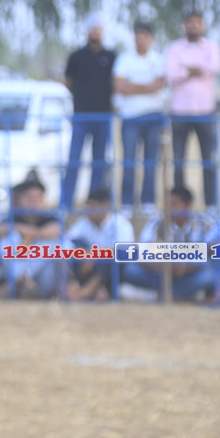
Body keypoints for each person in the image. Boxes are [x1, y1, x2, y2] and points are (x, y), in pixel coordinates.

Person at [166, 12, 220, 211]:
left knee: (208, 161)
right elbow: (171, 74)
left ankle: (211, 204)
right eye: (190, 22)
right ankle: (179, 205)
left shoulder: (212, 47)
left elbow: (214, 67)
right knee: (178, 162)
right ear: (184, 25)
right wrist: (196, 69)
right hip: (179, 112)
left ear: (203, 25)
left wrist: (186, 69)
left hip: (205, 112)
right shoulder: (174, 48)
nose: (194, 26)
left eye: (198, 23)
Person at [122, 186, 216, 301]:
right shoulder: (157, 223)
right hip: (159, 274)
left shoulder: (204, 224)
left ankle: (161, 294)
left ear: (188, 206)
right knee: (130, 270)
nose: (169, 209)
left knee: (210, 276)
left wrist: (185, 268)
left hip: (190, 275)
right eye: (167, 204)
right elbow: (142, 255)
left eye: (174, 204)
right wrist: (164, 267)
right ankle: (183, 294)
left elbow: (208, 256)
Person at [61, 19, 116, 208]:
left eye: (98, 29)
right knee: (74, 160)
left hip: (103, 117)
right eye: (92, 29)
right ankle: (66, 203)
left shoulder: (110, 56)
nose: (95, 32)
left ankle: (95, 203)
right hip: (81, 116)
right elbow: (68, 81)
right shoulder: (76, 56)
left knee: (99, 163)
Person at [114, 22, 166, 217]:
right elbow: (119, 86)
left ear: (151, 37)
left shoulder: (159, 59)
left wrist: (132, 86)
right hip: (130, 117)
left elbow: (160, 84)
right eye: (137, 34)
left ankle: (148, 202)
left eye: (144, 34)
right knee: (128, 161)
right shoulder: (124, 59)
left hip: (154, 116)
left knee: (151, 162)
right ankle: (127, 203)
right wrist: (148, 87)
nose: (140, 38)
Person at [0, 175, 64, 299]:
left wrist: (29, 237)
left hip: (43, 278)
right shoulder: (12, 217)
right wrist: (24, 232)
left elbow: (58, 230)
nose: (35, 202)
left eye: (39, 198)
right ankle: (25, 280)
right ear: (20, 200)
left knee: (57, 245)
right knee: (9, 239)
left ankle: (24, 279)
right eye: (30, 198)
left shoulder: (50, 218)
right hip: (16, 269)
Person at [65, 187, 134, 298]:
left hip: (110, 270)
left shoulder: (120, 224)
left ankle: (84, 293)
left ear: (106, 207)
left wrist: (95, 255)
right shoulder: (84, 222)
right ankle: (77, 289)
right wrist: (84, 253)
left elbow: (125, 250)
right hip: (87, 267)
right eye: (88, 206)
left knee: (110, 259)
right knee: (77, 245)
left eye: (93, 206)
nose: (89, 210)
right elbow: (67, 241)